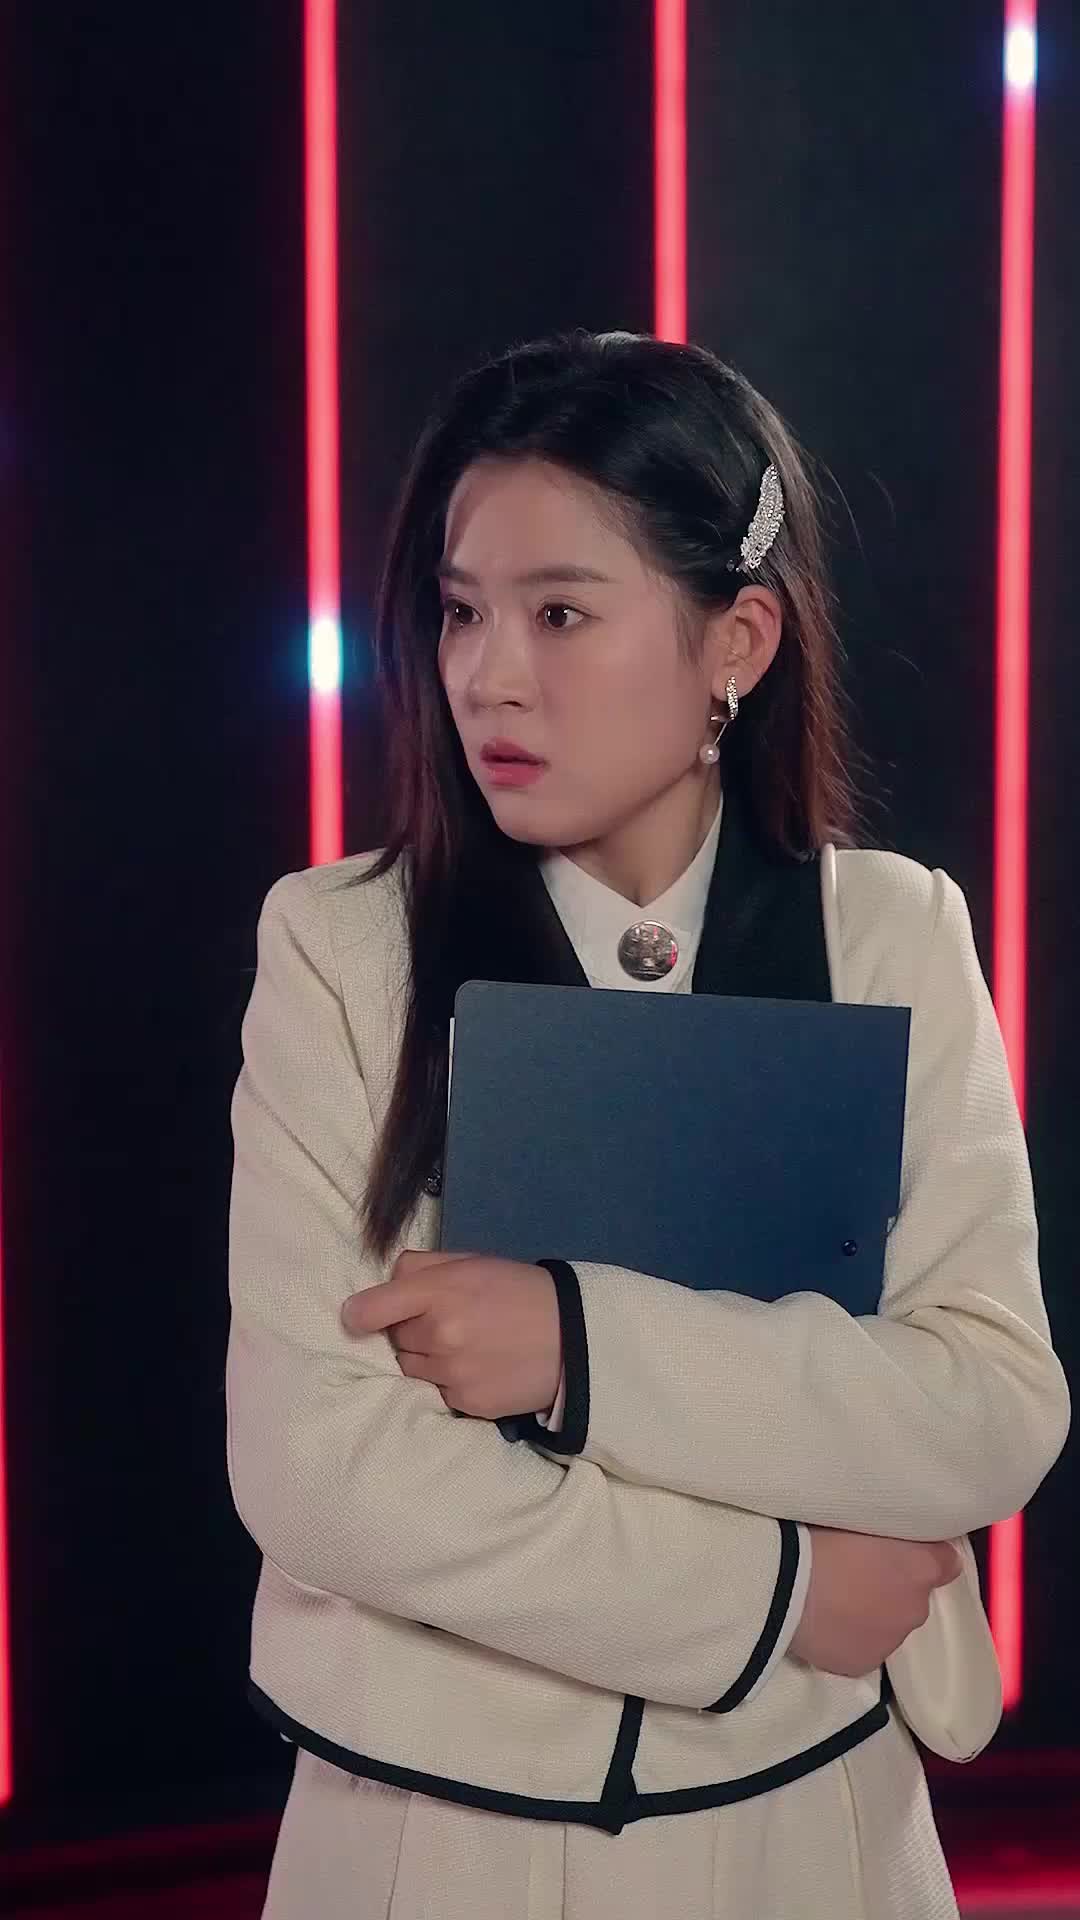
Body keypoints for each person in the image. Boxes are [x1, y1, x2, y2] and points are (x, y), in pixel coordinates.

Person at [226, 329, 1070, 1919]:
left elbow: (987, 1407)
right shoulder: (341, 951)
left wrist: (572, 1341)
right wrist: (780, 1587)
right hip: (436, 1839)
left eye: (560, 612)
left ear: (735, 640)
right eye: (461, 610)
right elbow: (323, 1471)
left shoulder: (889, 933)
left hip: (808, 1829)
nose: (488, 675)